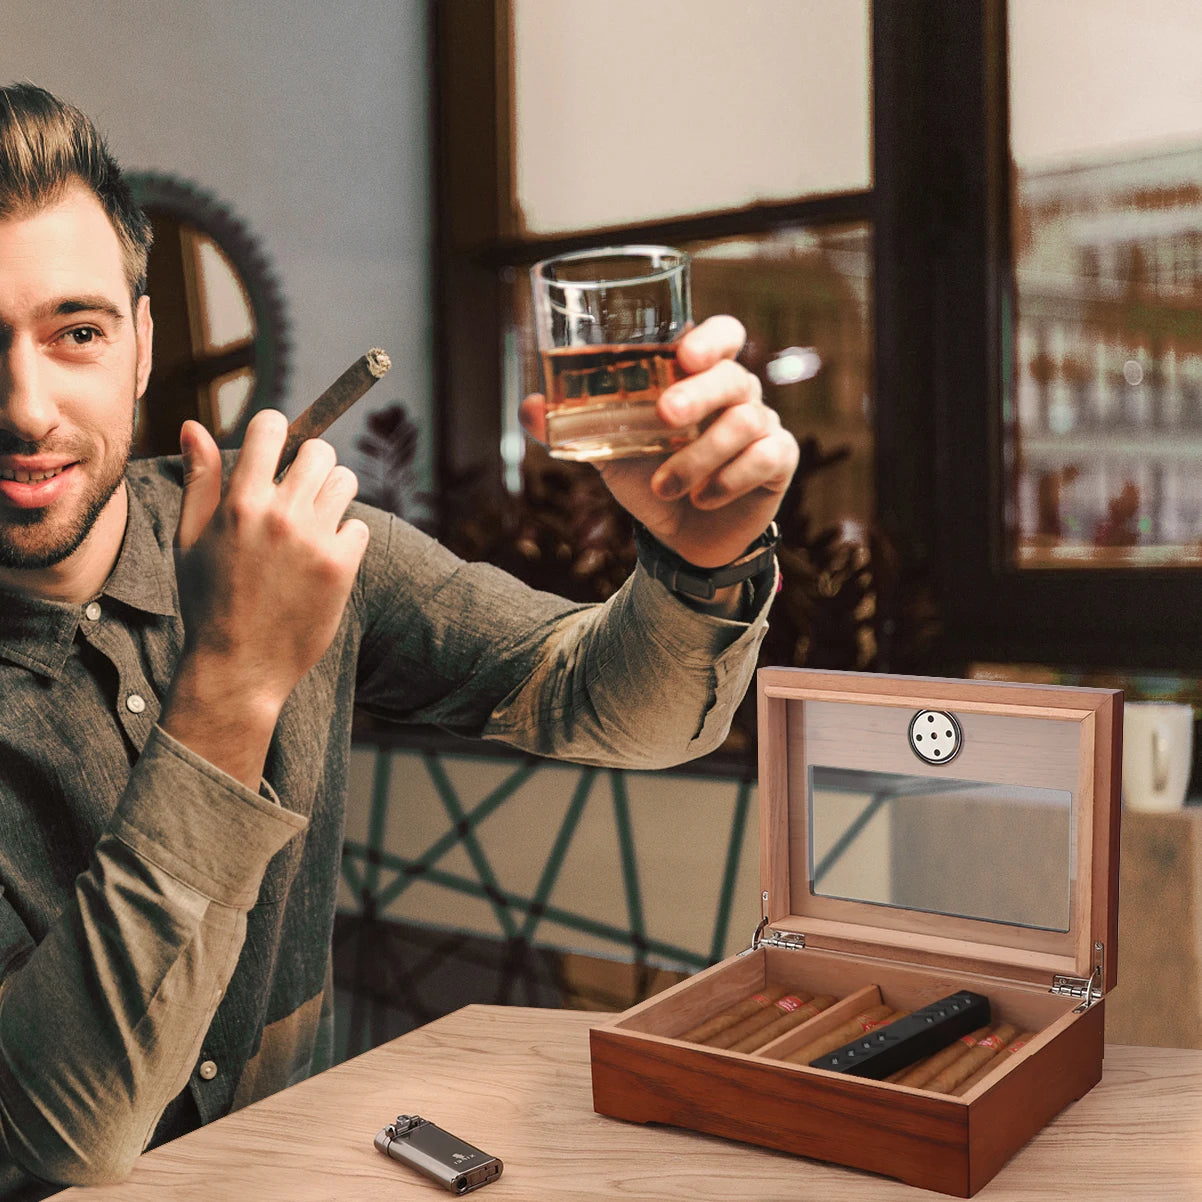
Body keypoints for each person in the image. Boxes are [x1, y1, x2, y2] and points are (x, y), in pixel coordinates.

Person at [0, 82, 798, 1193]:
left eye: (75, 332)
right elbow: (57, 1128)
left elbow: (617, 708)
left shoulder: (295, 540)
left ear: (140, 345)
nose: (25, 405)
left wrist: (698, 559)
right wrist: (232, 679)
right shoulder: (258, 589)